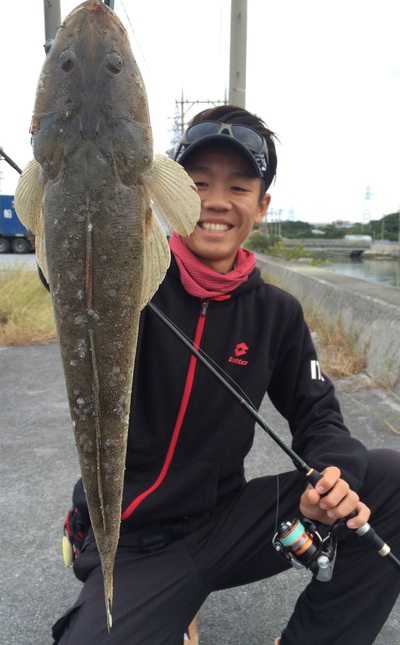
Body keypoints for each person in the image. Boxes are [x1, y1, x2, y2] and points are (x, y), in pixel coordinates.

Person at [52, 105, 400, 645]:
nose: (215, 201)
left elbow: (319, 416)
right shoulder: (124, 285)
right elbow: (69, 250)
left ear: (261, 207)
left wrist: (335, 477)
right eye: (195, 184)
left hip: (227, 525)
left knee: (390, 477)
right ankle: (160, 602)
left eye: (239, 187)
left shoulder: (277, 313)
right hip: (133, 540)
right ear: (165, 191)